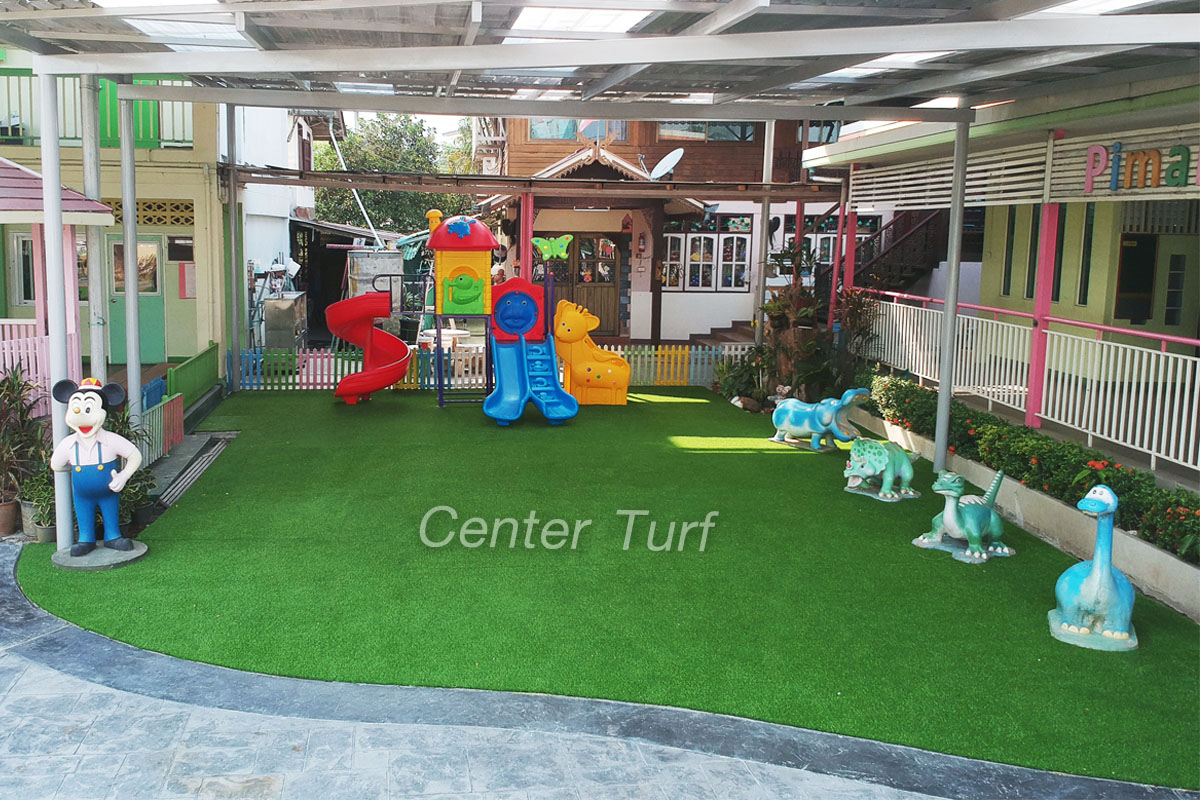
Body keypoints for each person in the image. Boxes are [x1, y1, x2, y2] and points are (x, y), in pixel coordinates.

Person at [49, 378, 143, 557]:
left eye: (89, 409)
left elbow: (135, 455)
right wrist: (71, 470)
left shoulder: (110, 440)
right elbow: (56, 464)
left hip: (109, 491)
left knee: (110, 511)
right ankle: (86, 539)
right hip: (82, 494)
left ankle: (113, 536)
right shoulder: (68, 444)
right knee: (83, 515)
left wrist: (123, 476)